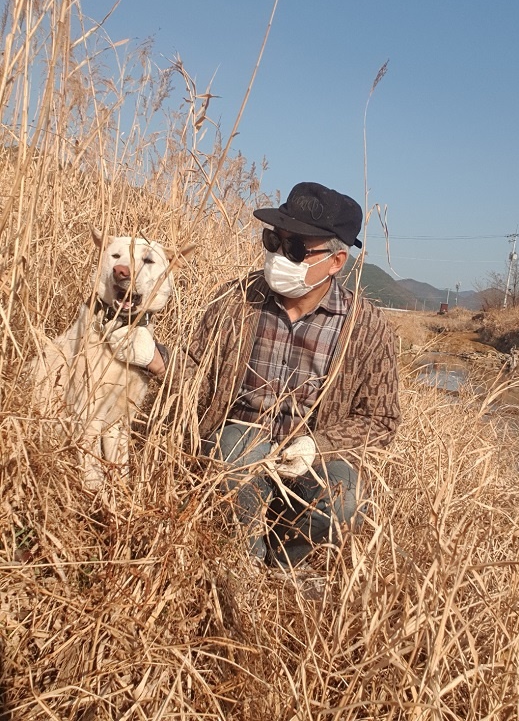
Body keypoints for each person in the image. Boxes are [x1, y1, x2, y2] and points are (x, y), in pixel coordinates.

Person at [110, 182, 401, 569]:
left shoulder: (367, 327)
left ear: (335, 262)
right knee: (234, 451)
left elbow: (382, 419)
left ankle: (283, 565)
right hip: (238, 440)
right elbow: (199, 374)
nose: (280, 255)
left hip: (309, 452)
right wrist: (155, 357)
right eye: (273, 241)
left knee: (345, 498)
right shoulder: (236, 300)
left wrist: (319, 445)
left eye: (296, 249)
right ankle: (241, 560)